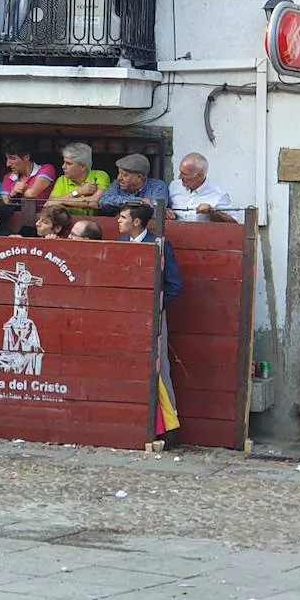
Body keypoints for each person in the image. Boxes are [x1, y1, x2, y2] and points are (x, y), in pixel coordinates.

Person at [116, 202, 182, 445]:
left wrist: (155, 309)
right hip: (124, 318)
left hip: (152, 316)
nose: (118, 222)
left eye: (123, 217)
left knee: (159, 368)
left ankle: (167, 428)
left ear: (136, 222)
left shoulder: (160, 244)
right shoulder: (120, 244)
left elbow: (174, 285)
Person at [167, 152, 234, 223]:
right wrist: (167, 212)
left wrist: (213, 212)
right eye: (180, 172)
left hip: (204, 233)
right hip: (175, 232)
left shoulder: (219, 195)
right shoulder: (174, 186)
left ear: (200, 176)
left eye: (185, 174)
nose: (180, 177)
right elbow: (164, 208)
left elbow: (234, 224)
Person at [46, 142, 110, 215]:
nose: (63, 166)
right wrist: (78, 192)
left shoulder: (100, 175)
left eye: (68, 163)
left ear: (82, 166)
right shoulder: (62, 180)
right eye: (64, 162)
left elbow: (94, 202)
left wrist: (61, 201)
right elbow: (49, 204)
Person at [98, 153, 169, 213]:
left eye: (125, 175)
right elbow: (104, 201)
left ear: (139, 178)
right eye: (119, 173)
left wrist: (123, 205)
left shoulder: (158, 187)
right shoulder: (116, 184)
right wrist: (140, 201)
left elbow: (159, 210)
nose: (119, 178)